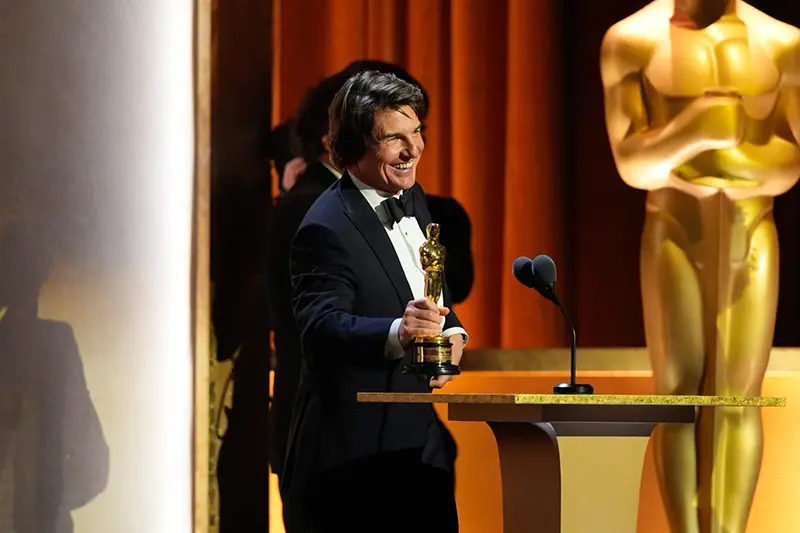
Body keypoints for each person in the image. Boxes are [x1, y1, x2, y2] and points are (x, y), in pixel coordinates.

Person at [601, 1, 800, 532]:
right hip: (674, 231)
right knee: (679, 394)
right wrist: (696, 129)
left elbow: (787, 163)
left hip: (750, 231)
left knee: (738, 396)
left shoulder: (781, 41)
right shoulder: (632, 39)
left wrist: (703, 156)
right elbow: (633, 163)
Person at [266, 60, 474, 492]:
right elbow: (320, 327)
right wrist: (401, 332)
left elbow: (432, 288)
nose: (412, 149)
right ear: (353, 146)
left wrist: (453, 334)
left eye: (416, 132)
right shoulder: (325, 224)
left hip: (418, 451)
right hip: (352, 462)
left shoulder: (409, 194)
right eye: (394, 137)